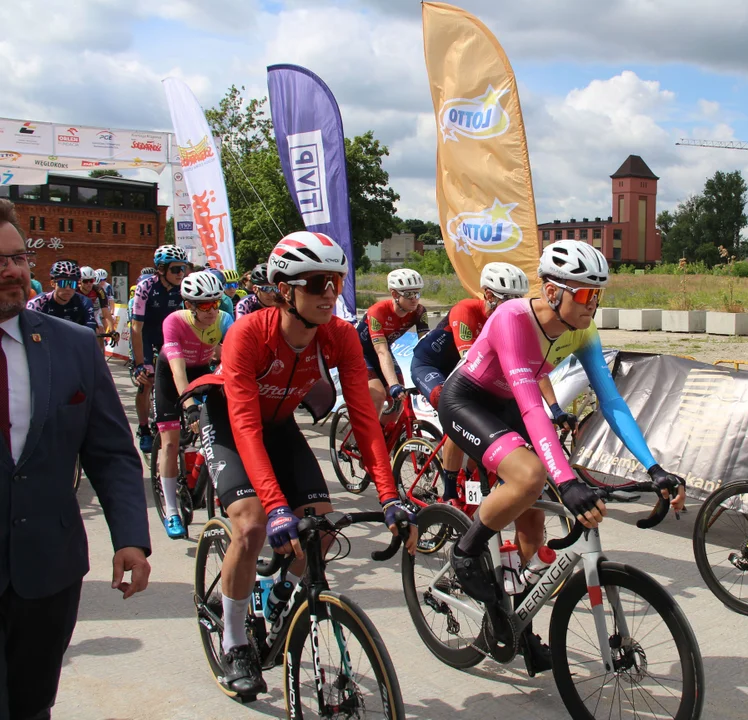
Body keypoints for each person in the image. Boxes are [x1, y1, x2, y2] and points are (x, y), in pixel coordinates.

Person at [187, 231, 416, 697]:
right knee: (251, 527)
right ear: (284, 289)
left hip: (279, 423)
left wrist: (391, 496)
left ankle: (276, 597)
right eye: (315, 283)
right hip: (233, 422)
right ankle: (234, 643)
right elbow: (247, 429)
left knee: (323, 527)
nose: (329, 293)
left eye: (335, 280)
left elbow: (364, 421)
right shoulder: (249, 334)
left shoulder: (338, 337)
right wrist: (273, 507)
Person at [438, 239, 686, 670]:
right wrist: (566, 481)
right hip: (469, 400)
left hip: (512, 406)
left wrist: (655, 467)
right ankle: (465, 551)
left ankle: (517, 623)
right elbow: (532, 405)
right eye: (587, 293)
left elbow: (612, 402)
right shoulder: (512, 317)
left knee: (533, 523)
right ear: (553, 291)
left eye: (599, 294)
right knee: (531, 476)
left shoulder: (583, 330)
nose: (594, 304)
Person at [0, 199, 151, 718]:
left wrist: (130, 537)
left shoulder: (74, 346)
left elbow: (110, 452)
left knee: (31, 705)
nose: (13, 271)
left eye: (18, 258)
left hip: (47, 572)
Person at [412, 262, 575, 504]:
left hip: (470, 373)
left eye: (517, 300)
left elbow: (534, 370)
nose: (512, 307)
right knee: (456, 418)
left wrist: (555, 408)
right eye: (505, 300)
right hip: (433, 366)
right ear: (488, 295)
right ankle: (448, 493)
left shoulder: (517, 319)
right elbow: (467, 362)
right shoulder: (465, 310)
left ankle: (470, 477)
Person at [155, 271, 233, 539]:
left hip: (202, 371)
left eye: (216, 302)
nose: (213, 310)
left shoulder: (224, 319)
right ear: (189, 305)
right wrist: (188, 405)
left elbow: (233, 361)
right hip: (171, 374)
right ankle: (172, 509)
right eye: (205, 305)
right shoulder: (173, 322)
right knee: (171, 442)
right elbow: (177, 371)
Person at [131, 246, 189, 453]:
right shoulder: (145, 287)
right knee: (146, 381)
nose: (181, 273)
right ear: (161, 270)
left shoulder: (183, 287)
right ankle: (144, 428)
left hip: (169, 336)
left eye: (183, 268)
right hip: (146, 335)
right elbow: (136, 328)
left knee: (178, 375)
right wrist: (139, 364)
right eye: (176, 269)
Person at [356, 268, 429, 429]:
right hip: (359, 352)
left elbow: (426, 344)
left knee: (399, 400)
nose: (414, 299)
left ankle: (381, 435)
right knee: (379, 395)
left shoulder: (419, 311)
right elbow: (382, 351)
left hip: (382, 352)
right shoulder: (377, 311)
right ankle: (365, 443)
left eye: (417, 293)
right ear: (395, 295)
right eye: (409, 294)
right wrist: (393, 384)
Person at [26, 261, 97, 332]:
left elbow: (90, 333)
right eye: (63, 283)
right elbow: (30, 333)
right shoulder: (37, 303)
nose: (68, 288)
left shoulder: (84, 302)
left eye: (72, 284)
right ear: (53, 283)